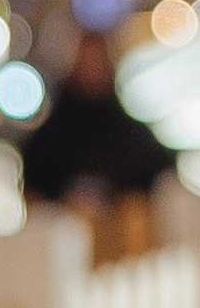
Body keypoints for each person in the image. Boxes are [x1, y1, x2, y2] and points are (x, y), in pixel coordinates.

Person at [20, 24, 174, 207]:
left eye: (97, 60)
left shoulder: (128, 132)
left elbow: (154, 172)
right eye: (87, 60)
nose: (92, 68)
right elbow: (35, 182)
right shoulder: (54, 132)